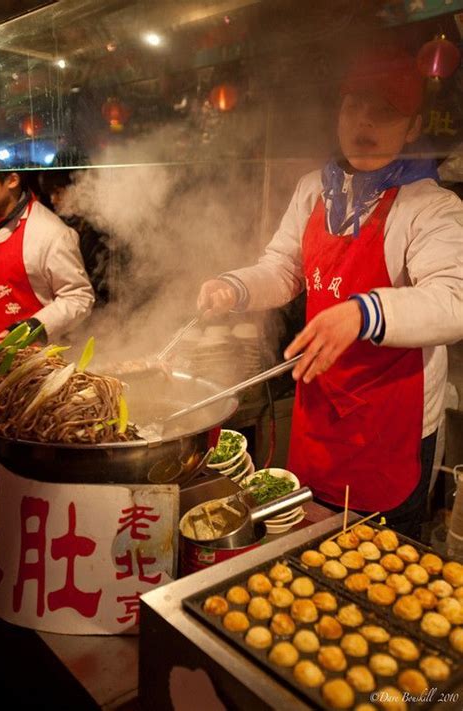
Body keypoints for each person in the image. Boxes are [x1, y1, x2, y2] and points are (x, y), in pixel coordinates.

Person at [197, 47, 463, 538]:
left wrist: (362, 313)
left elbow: (453, 301)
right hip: (319, 405)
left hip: (390, 419)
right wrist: (234, 287)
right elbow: (282, 268)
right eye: (353, 106)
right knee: (306, 536)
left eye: (385, 111)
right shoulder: (314, 189)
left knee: (381, 551)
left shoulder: (431, 205)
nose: (364, 122)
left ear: (412, 125)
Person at [0, 165, 94, 347]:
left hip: (28, 366)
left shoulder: (49, 232)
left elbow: (78, 297)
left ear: (12, 180)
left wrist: (33, 327)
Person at [38, 169, 111, 307]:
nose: (53, 199)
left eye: (58, 192)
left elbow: (102, 285)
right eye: (50, 194)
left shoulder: (98, 228)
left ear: (78, 189)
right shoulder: (60, 225)